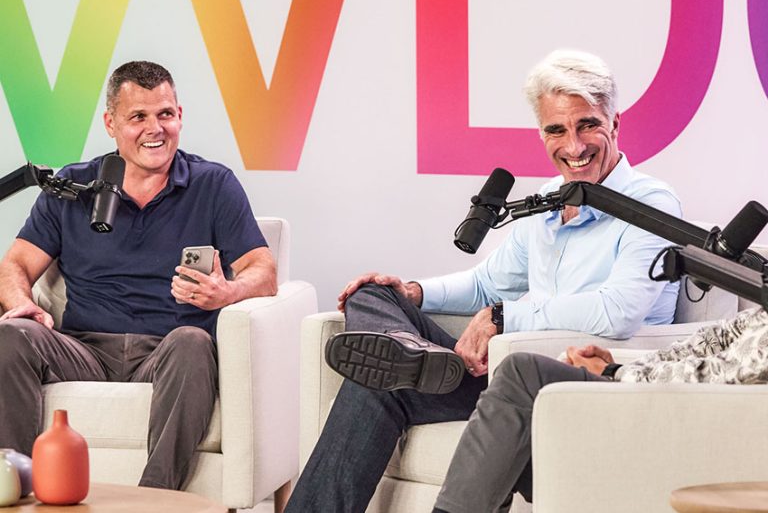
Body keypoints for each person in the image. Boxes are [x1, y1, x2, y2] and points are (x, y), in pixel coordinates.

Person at [285, 50, 682, 512]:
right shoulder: (550, 201)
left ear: (615, 124)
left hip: (569, 381)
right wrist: (413, 292)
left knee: (377, 382)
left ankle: (409, 358)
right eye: (556, 130)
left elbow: (620, 311)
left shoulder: (650, 204)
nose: (574, 146)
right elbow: (487, 284)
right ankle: (406, 351)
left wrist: (503, 317)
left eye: (587, 125)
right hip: (505, 375)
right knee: (375, 296)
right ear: (542, 134)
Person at [0, 61, 277, 490]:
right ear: (111, 124)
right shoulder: (74, 186)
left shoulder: (212, 184)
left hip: (168, 349)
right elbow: (14, 265)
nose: (155, 128)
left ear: (179, 115)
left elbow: (264, 271)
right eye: (138, 117)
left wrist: (227, 292)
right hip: (83, 349)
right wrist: (23, 303)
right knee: (11, 334)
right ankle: (15, 486)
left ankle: (155, 496)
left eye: (165, 114)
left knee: (193, 342)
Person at [432, 305, 768, 512]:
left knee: (523, 377)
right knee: (519, 411)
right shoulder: (760, 312)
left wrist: (617, 373)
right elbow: (700, 346)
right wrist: (618, 368)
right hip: (661, 399)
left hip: (699, 424)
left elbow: (727, 374)